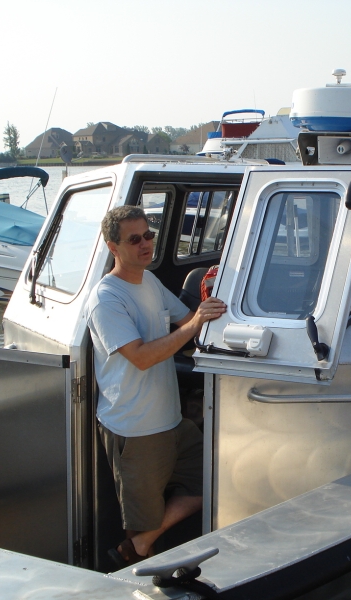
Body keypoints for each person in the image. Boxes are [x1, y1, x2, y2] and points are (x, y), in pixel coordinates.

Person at [85, 205, 227, 567]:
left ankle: (140, 547)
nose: (146, 243)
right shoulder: (106, 299)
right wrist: (196, 324)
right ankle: (135, 567)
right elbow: (143, 357)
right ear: (113, 247)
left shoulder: (149, 281)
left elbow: (185, 323)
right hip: (137, 430)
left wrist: (215, 309)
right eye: (135, 239)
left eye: (149, 235)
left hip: (171, 421)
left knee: (213, 477)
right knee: (141, 519)